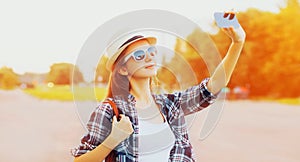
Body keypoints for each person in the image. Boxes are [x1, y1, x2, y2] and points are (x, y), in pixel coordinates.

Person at [71, 12, 246, 162]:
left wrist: (237, 44)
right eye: (139, 55)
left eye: (151, 51)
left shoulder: (170, 105)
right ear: (123, 68)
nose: (148, 57)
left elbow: (213, 87)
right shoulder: (110, 112)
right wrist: (112, 140)